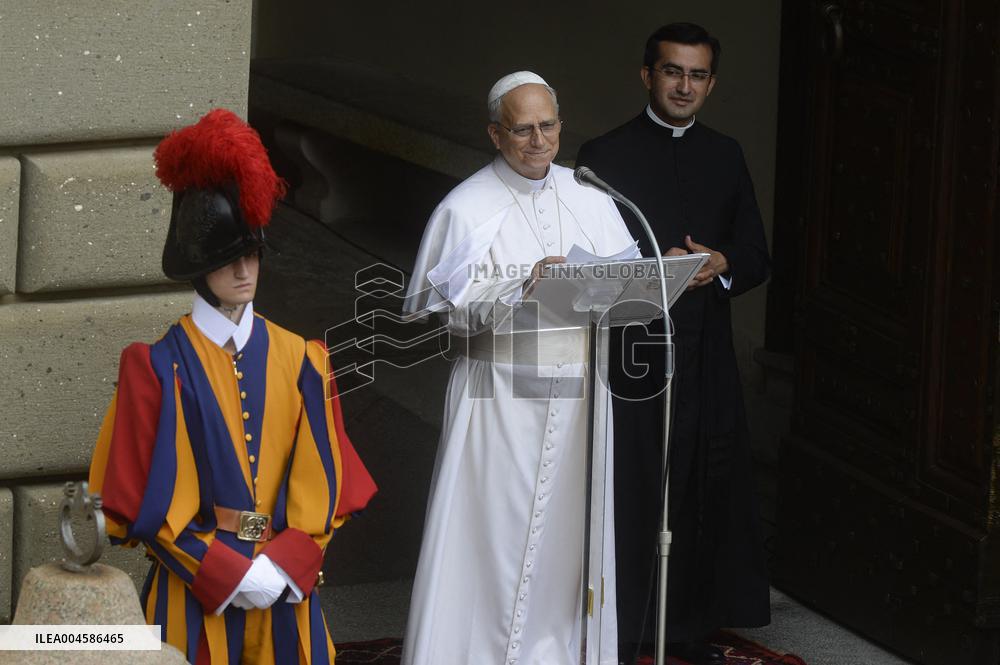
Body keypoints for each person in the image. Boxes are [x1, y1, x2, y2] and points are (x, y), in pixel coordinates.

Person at [88, 108, 377, 664]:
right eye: (228, 259)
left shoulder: (303, 360)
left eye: (251, 255)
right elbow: (151, 502)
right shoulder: (157, 367)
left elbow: (324, 486)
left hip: (286, 593)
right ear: (199, 266)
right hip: (191, 598)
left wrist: (282, 565)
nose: (244, 270)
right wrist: (224, 573)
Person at [401, 72, 636, 665]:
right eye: (522, 128)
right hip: (499, 396)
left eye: (548, 126)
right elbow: (446, 313)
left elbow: (629, 287)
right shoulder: (466, 207)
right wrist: (523, 282)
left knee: (567, 543)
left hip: (582, 394)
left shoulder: (592, 196)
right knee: (491, 538)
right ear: (495, 134)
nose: (538, 141)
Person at [577, 22, 772, 665]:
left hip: (706, 348)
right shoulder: (601, 157)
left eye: (697, 75)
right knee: (633, 479)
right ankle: (624, 623)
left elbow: (755, 254)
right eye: (672, 71)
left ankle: (687, 626)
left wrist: (719, 262)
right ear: (647, 75)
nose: (684, 85)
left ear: (711, 84)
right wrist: (648, 271)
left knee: (699, 480)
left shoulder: (726, 153)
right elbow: (585, 265)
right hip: (635, 348)